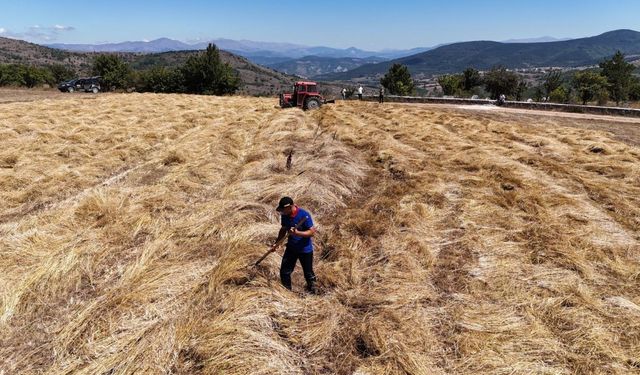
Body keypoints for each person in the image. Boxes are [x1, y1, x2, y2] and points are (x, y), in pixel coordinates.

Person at [270, 196, 317, 293]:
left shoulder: (304, 215)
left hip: (305, 250)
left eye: (283, 210)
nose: (282, 212)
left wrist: (297, 233)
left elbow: (311, 232)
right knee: (284, 272)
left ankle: (314, 293)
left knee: (308, 273)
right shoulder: (285, 215)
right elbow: (283, 229)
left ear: (290, 207)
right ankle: (287, 293)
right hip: (291, 248)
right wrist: (277, 243)